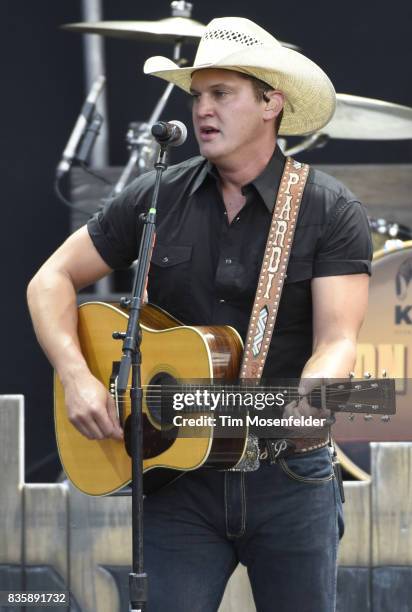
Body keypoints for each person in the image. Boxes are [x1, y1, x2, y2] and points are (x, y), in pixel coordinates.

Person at [27, 17, 372, 612]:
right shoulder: (157, 194)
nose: (202, 110)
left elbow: (338, 338)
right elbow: (49, 279)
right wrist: (76, 376)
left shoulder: (327, 208)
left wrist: (321, 389)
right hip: (178, 476)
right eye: (197, 95)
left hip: (287, 476)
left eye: (222, 93)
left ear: (272, 104)